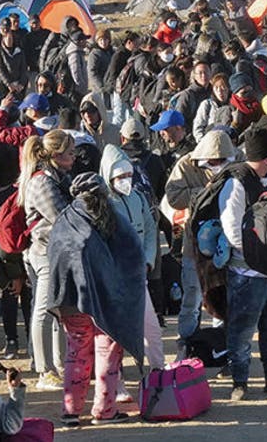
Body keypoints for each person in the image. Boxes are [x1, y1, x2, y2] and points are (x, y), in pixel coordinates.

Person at [49, 173, 147, 427]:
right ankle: (104, 410)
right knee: (108, 352)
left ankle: (70, 411)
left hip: (71, 299)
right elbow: (133, 254)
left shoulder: (65, 219)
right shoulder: (113, 218)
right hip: (109, 299)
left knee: (76, 353)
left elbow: (56, 256)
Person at [216, 128, 267, 401]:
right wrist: (263, 255)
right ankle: (240, 380)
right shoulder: (235, 185)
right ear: (264, 156)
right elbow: (234, 232)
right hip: (246, 273)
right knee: (242, 330)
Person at [165, 130, 234, 353]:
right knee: (191, 297)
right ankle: (187, 347)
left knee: (222, 298)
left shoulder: (237, 163)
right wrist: (204, 193)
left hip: (225, 244)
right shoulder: (185, 165)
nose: (217, 165)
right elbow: (173, 196)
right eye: (213, 161)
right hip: (193, 244)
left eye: (222, 161)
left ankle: (223, 348)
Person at [99, 144, 165, 370]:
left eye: (128, 174)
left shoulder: (138, 197)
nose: (126, 179)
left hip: (138, 275)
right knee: (114, 337)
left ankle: (159, 373)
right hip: (115, 279)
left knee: (152, 329)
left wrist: (148, 260)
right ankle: (116, 385)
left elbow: (149, 228)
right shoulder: (102, 203)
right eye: (120, 176)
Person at [18, 130, 75, 392]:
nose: (74, 157)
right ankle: (44, 370)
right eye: (70, 152)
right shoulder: (42, 183)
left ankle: (60, 364)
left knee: (57, 310)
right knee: (43, 310)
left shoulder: (59, 178)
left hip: (55, 252)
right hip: (43, 253)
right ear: (55, 154)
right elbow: (61, 216)